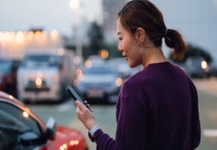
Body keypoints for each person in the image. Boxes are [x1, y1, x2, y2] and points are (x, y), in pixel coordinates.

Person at [75, 0, 201, 149]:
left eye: (121, 38)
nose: (120, 47)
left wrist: (92, 126)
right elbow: (194, 139)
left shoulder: (134, 88)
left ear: (140, 35)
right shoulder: (184, 79)